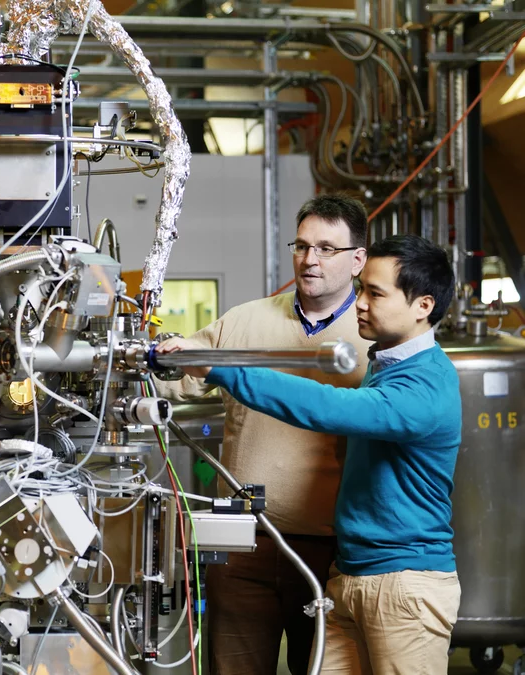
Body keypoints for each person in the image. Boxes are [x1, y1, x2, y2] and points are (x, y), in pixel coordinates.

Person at [157, 234, 461, 675]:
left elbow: (329, 407)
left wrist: (219, 366)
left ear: (423, 306)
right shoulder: (385, 366)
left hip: (405, 584)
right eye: (362, 290)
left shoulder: (426, 384)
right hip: (351, 574)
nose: (360, 303)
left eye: (375, 293)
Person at [154, 193, 372, 675]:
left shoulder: (373, 336)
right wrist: (156, 354)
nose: (309, 259)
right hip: (242, 542)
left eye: (326, 249)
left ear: (358, 259)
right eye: (302, 245)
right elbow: (179, 374)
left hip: (331, 548)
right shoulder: (245, 321)